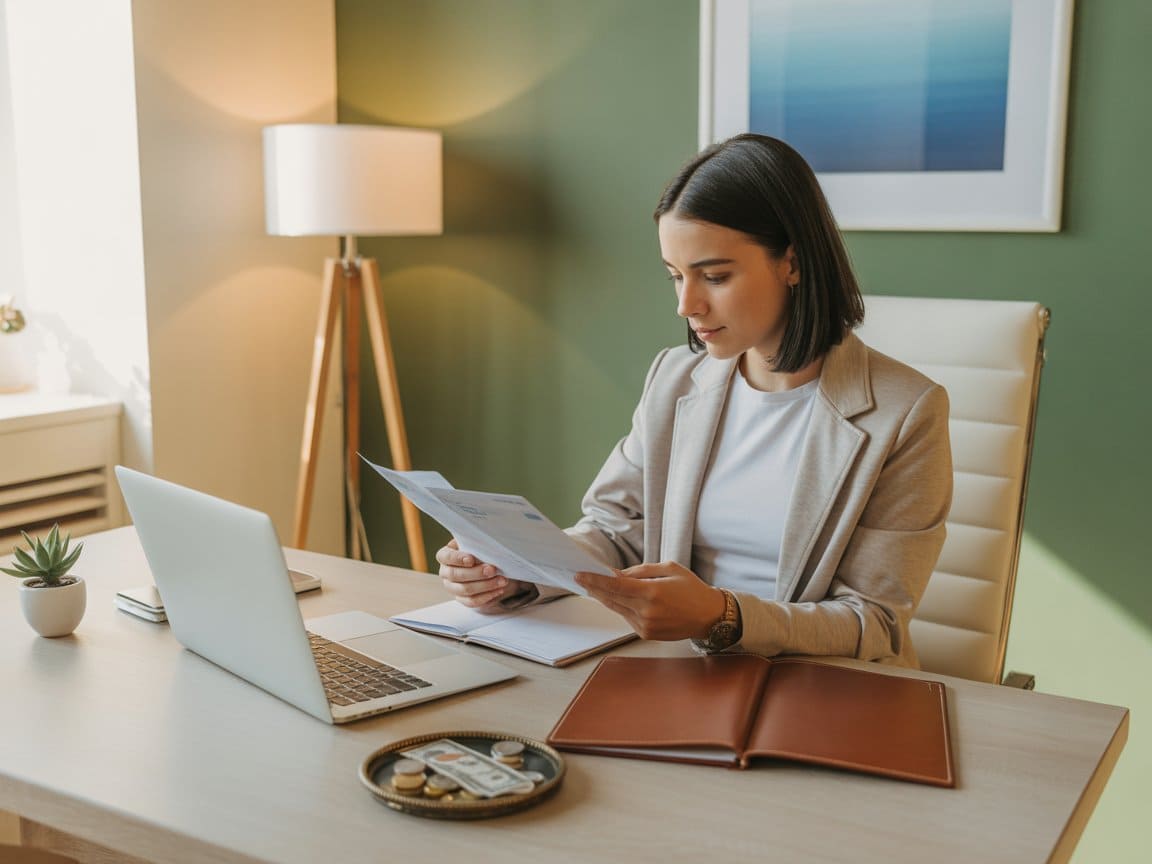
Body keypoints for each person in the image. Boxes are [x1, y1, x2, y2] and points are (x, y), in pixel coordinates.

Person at [436, 134, 952, 667]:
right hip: (681, 673)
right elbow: (615, 531)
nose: (687, 304)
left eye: (715, 276)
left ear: (792, 262)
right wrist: (516, 572)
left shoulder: (905, 412)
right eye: (676, 277)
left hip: (821, 688)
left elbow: (876, 622)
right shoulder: (675, 379)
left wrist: (720, 616)